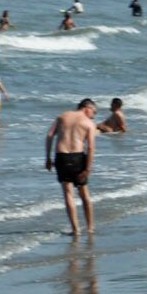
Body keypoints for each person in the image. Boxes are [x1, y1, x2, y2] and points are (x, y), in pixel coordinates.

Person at [44, 99, 100, 237]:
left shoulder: (62, 116)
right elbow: (91, 148)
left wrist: (48, 158)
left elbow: (50, 135)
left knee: (68, 194)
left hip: (61, 157)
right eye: (94, 112)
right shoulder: (88, 123)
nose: (94, 116)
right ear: (87, 108)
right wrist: (88, 169)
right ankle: (90, 228)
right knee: (84, 194)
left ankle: (76, 230)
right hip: (77, 158)